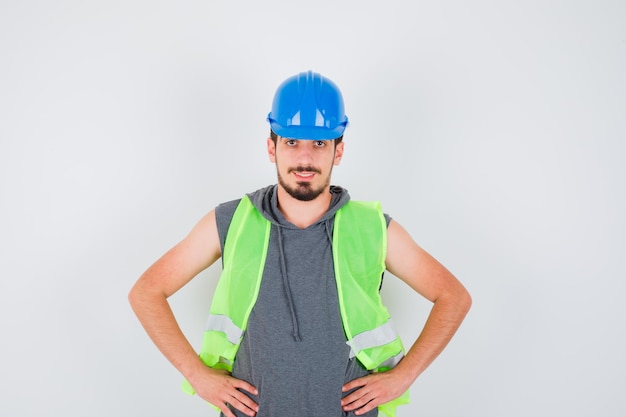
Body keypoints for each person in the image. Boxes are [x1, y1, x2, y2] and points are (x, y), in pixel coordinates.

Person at [128, 70, 472, 417]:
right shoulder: (231, 221)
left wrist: (403, 377)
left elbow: (453, 297)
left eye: (319, 144)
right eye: (292, 141)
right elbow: (146, 292)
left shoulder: (373, 227)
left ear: (338, 151)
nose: (305, 159)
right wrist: (197, 376)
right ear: (271, 147)